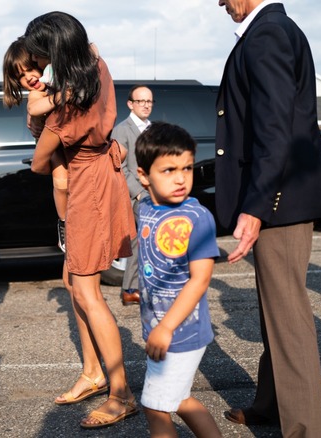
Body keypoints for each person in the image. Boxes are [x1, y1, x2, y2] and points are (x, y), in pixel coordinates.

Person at [215, 1, 321, 436]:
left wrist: (257, 205)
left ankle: (307, 429)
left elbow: (274, 127)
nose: (220, 2)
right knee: (276, 310)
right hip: (281, 200)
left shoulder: (267, 33)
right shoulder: (273, 30)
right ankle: (270, 403)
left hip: (279, 204)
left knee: (288, 319)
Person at [24, 11, 138, 429]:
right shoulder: (97, 67)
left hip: (86, 183)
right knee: (73, 280)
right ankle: (92, 372)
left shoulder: (68, 106)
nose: (38, 64)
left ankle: (121, 393)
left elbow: (39, 162)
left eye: (42, 54)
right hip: (97, 175)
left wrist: (42, 111)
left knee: (87, 289)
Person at [134, 122, 222, 438]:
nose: (181, 177)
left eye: (187, 167)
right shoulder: (145, 206)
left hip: (179, 333)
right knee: (180, 399)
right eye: (169, 170)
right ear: (144, 176)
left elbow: (199, 280)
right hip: (160, 327)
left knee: (156, 407)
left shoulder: (196, 219)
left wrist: (165, 328)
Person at [2, 37, 68, 252]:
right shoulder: (37, 93)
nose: (29, 77)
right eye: (21, 76)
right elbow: (34, 109)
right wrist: (61, 97)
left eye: (30, 69)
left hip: (69, 144)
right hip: (54, 147)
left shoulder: (61, 77)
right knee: (61, 182)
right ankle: (64, 222)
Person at [113, 84, 154, 306]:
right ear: (130, 104)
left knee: (154, 241)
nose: (146, 105)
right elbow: (118, 166)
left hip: (156, 191)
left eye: (149, 101)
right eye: (141, 101)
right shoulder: (122, 129)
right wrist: (138, 193)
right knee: (140, 241)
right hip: (138, 195)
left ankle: (146, 285)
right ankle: (130, 289)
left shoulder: (153, 128)